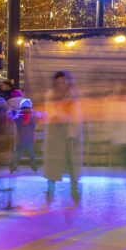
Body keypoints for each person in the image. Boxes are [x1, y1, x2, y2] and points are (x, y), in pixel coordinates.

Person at [43, 71, 83, 207]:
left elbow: (76, 115)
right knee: (53, 164)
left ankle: (74, 189)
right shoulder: (50, 96)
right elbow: (53, 115)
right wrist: (65, 115)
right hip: (55, 136)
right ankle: (50, 189)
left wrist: (67, 116)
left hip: (70, 136)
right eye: (59, 82)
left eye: (64, 81)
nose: (61, 84)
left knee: (72, 164)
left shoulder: (74, 96)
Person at [12, 99, 41, 174]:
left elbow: (14, 121)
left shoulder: (19, 116)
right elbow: (37, 120)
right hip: (28, 138)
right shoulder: (32, 115)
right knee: (31, 154)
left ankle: (12, 168)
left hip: (22, 138)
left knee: (18, 154)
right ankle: (34, 169)